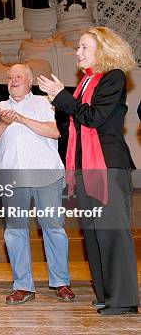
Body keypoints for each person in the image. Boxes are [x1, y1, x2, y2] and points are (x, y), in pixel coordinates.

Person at [38, 26, 139, 315]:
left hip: (107, 164)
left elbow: (93, 117)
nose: (77, 52)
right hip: (85, 166)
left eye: (84, 47)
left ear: (102, 49)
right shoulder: (86, 83)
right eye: (78, 47)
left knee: (112, 232)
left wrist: (61, 96)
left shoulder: (112, 77)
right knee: (94, 234)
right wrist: (58, 102)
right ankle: (107, 293)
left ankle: (124, 299)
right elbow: (76, 122)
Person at [0, 63, 74, 305]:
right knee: (15, 231)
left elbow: (55, 132)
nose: (13, 80)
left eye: (19, 77)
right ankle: (23, 285)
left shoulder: (46, 103)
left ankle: (61, 282)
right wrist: (3, 123)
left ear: (30, 80)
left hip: (47, 177)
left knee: (54, 227)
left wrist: (20, 118)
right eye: (10, 77)